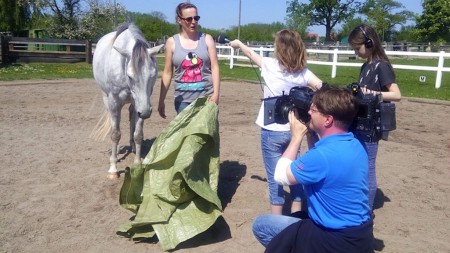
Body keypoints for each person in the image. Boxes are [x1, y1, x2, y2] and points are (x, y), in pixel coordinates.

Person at [252, 87, 373, 253]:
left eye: (313, 109)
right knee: (297, 218)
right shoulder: (355, 145)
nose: (308, 111)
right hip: (358, 237)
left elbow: (280, 176)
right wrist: (310, 134)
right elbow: (322, 165)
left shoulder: (322, 156)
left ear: (328, 120)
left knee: (262, 224)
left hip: (332, 240)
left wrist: (296, 138)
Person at [229, 30, 322, 215]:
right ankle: (296, 216)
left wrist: (238, 44)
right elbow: (322, 87)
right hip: (294, 131)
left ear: (279, 49)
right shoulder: (304, 73)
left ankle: (277, 220)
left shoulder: (270, 65)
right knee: (293, 174)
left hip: (271, 130)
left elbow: (250, 54)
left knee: (275, 179)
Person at [348, 24, 401, 210]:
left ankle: (366, 211)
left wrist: (372, 93)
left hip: (372, 125)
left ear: (369, 43)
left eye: (357, 48)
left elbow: (396, 94)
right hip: (360, 122)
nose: (356, 52)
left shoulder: (382, 66)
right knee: (358, 166)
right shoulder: (366, 66)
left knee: (367, 167)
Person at [158, 2, 220, 117]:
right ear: (179, 20)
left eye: (196, 18)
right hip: (182, 101)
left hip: (206, 99)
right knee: (185, 135)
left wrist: (216, 95)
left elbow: (215, 67)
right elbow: (167, 73)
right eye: (189, 19)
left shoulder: (207, 39)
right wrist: (161, 100)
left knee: (206, 134)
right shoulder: (172, 42)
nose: (193, 22)